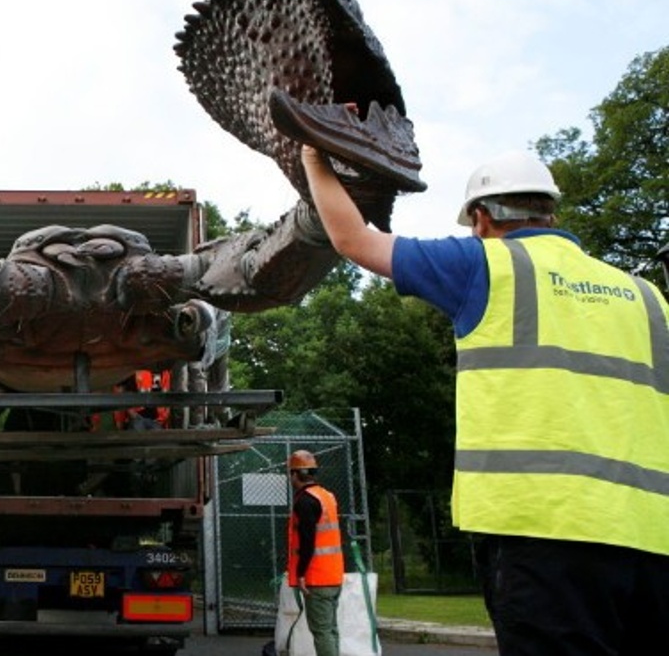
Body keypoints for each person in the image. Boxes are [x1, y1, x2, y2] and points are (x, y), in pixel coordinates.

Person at [302, 144, 669, 655]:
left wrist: (314, 160)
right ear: (550, 212)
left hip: (543, 537)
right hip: (654, 543)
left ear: (481, 218)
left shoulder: (486, 265)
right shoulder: (648, 297)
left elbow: (353, 239)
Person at [285, 449, 344, 656]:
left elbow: (308, 542)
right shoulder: (326, 496)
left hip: (317, 577)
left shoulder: (305, 502)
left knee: (321, 632)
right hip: (333, 575)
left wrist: (300, 573)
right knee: (330, 630)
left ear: (294, 474)